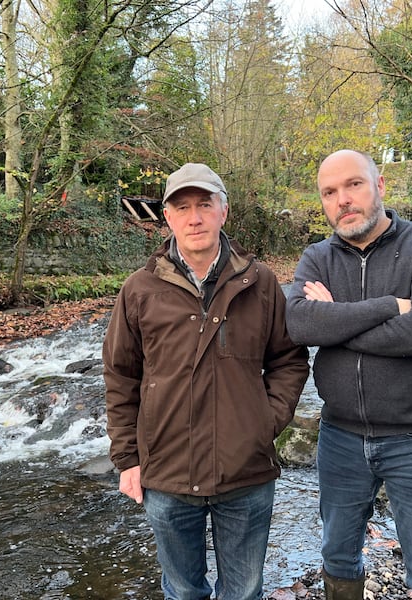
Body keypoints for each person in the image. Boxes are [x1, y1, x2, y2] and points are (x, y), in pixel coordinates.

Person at [103, 162, 310, 600]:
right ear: (168, 217)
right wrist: (127, 460)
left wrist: (263, 423)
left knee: (244, 591)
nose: (194, 217)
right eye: (182, 207)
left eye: (204, 204)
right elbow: (121, 377)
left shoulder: (262, 283)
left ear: (224, 212)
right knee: (182, 591)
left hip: (246, 472)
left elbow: (289, 360)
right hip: (166, 473)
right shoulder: (138, 290)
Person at [285, 149, 412, 600]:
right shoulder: (317, 257)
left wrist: (338, 323)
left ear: (380, 186)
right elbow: (300, 325)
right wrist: (388, 306)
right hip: (341, 438)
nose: (343, 199)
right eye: (330, 192)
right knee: (339, 559)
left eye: (354, 185)